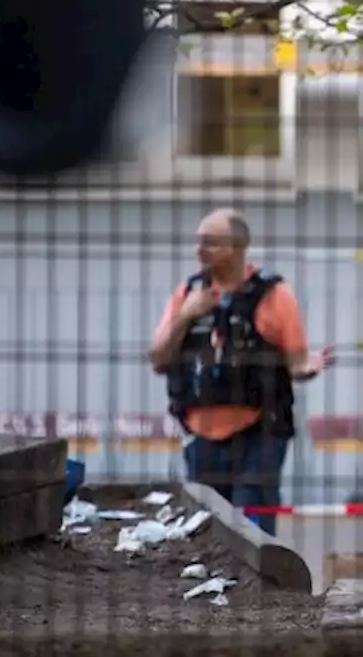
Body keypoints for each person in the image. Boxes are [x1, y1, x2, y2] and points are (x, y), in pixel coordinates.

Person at [148, 209, 332, 536]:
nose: (199, 250)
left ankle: (260, 587)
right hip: (201, 438)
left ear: (237, 247)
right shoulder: (187, 294)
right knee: (206, 531)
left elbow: (296, 361)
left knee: (252, 530)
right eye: (198, 242)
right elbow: (159, 358)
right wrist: (187, 315)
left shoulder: (273, 296)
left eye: (210, 242)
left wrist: (308, 368)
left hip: (258, 434)